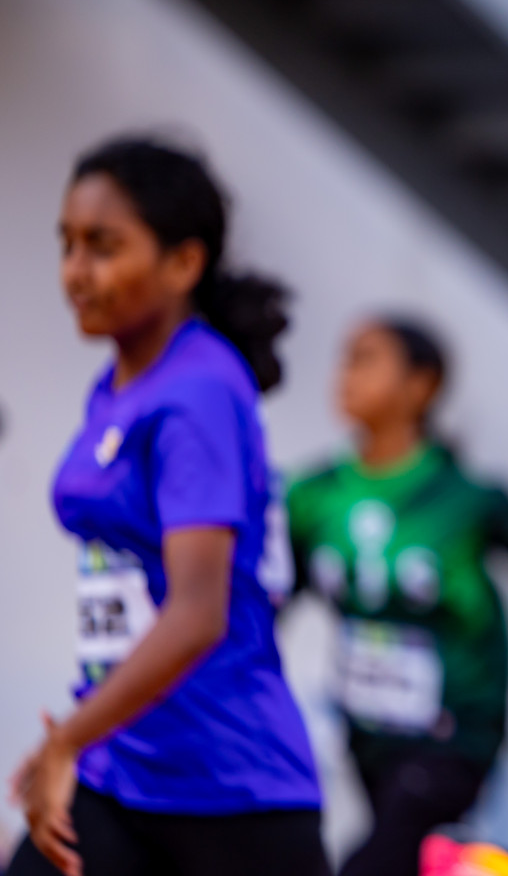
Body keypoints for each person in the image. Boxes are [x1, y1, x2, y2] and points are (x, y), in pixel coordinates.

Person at [7, 137, 327, 876]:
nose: (75, 273)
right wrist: (85, 733)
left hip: (229, 791)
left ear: (183, 263)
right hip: (123, 771)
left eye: (103, 247)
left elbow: (196, 614)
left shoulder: (199, 392)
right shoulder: (122, 381)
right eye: (67, 245)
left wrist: (68, 738)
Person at [284, 317, 508, 876]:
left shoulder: (469, 498)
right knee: (413, 855)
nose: (345, 376)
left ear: (421, 385)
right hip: (368, 730)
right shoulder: (313, 496)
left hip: (458, 728)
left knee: (378, 858)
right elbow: (273, 603)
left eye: (366, 359)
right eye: (344, 359)